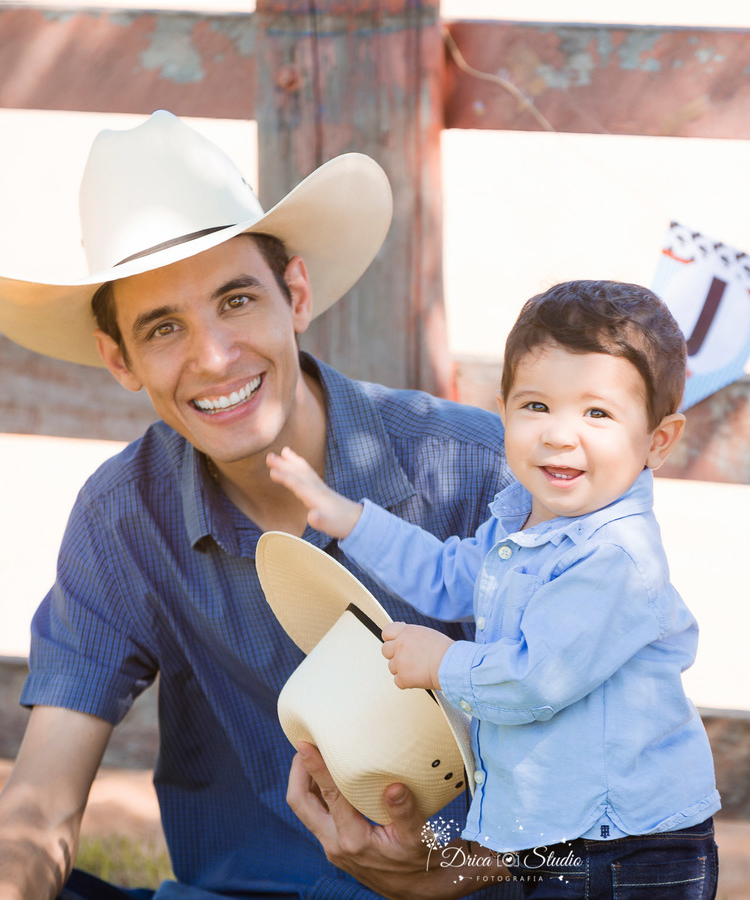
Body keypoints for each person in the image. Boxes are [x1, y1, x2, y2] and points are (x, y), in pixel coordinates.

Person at [0, 110, 522, 900]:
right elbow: (41, 801)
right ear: (119, 359)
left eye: (235, 301)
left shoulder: (474, 468)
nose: (215, 357)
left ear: (295, 294)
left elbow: (624, 790)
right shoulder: (124, 517)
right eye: (164, 327)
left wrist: (461, 869)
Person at [267, 280, 722, 898]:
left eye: (597, 413)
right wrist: (352, 520)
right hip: (558, 834)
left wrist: (444, 664)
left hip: (629, 846)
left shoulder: (614, 558)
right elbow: (446, 575)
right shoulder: (520, 524)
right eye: (537, 406)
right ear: (503, 411)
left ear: (657, 441)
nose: (560, 434)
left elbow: (537, 679)